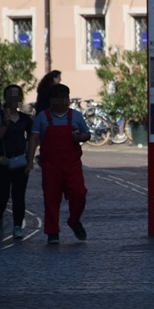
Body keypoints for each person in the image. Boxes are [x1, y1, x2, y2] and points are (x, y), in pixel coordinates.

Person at [26, 83, 91, 244]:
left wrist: (80, 138)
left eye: (65, 98)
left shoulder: (75, 116)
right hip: (50, 166)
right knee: (51, 198)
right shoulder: (42, 117)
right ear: (52, 100)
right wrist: (29, 162)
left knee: (79, 193)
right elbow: (34, 139)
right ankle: (52, 231)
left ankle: (74, 220)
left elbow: (87, 134)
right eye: (59, 98)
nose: (63, 101)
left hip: (72, 164)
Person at [0, 84, 32, 240]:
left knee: (18, 195)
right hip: (2, 162)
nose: (14, 100)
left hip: (20, 162)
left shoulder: (25, 119)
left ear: (20, 98)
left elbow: (34, 137)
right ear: (5, 98)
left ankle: (17, 227)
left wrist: (29, 158)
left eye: (17, 96)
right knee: (1, 197)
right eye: (10, 96)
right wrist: (5, 125)